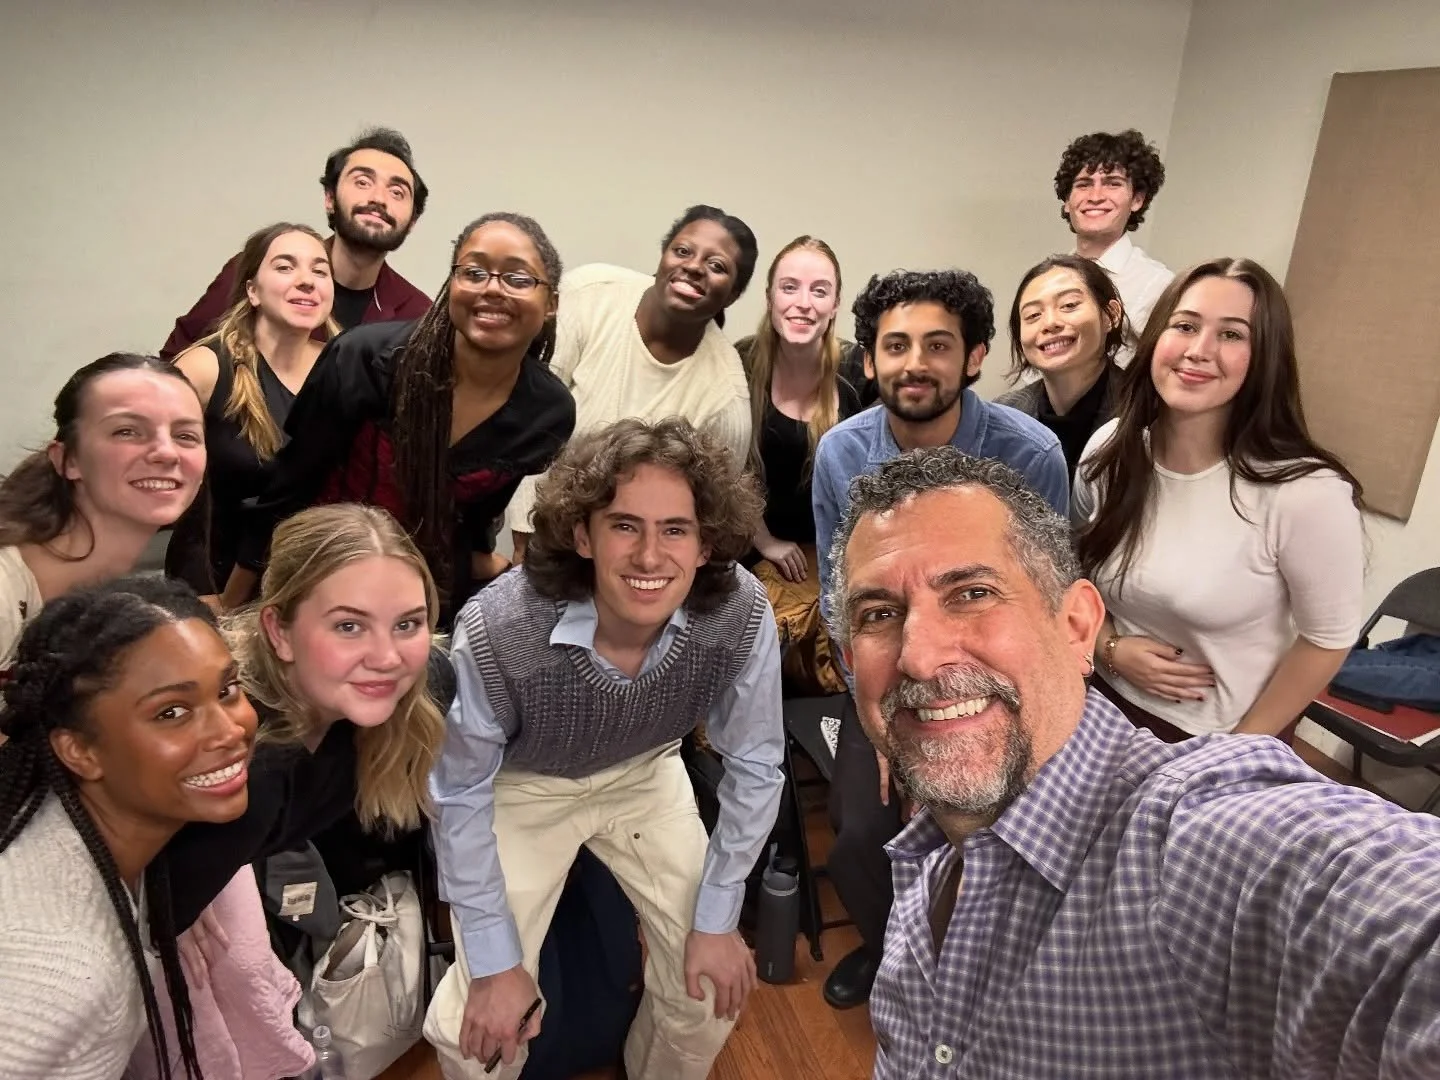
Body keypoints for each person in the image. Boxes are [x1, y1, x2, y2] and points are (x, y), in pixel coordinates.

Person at [823, 446, 1440, 1077]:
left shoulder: (1199, 845)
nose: (918, 656)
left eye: (973, 593)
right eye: (879, 614)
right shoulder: (923, 855)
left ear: (1078, 625)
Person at [424, 418, 785, 1080]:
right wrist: (497, 964)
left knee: (708, 991)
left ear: (707, 543)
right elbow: (459, 791)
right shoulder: (501, 627)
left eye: (676, 529)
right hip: (520, 784)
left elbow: (756, 764)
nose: (650, 557)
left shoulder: (741, 613)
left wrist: (718, 916)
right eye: (625, 525)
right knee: (475, 1032)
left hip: (646, 769)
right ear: (583, 535)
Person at [810, 268, 1068, 1010]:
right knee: (859, 832)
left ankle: (989, 963)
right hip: (893, 674)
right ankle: (895, 951)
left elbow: (1042, 599)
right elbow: (841, 602)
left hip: (999, 672)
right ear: (869, 362)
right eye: (895, 345)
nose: (914, 362)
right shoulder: (841, 454)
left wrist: (970, 721)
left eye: (937, 345)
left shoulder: (1031, 453)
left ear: (975, 356)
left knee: (1002, 820)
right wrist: (898, 732)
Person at [226, 212, 576, 623]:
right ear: (451, 285)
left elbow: (479, 517)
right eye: (474, 272)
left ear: (550, 303)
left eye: (517, 279)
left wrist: (489, 567)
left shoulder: (548, 413)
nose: (492, 290)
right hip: (318, 577)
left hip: (431, 600)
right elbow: (288, 488)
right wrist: (233, 607)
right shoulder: (365, 359)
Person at [1073, 257, 1365, 741]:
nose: (1198, 351)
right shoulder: (1111, 449)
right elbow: (1076, 571)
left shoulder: (1306, 494)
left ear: (1264, 357)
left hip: (1219, 735)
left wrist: (1238, 749)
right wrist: (1109, 647)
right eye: (1185, 326)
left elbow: (1326, 640)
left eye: (1232, 335)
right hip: (1100, 701)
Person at [0, 575, 258, 1080]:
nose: (231, 731)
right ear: (78, 750)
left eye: (227, 690)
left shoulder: (92, 831)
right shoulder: (59, 965)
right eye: (172, 712)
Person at [163, 502, 444, 931]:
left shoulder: (414, 693)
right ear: (279, 631)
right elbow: (143, 916)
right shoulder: (242, 760)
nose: (388, 658)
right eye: (349, 626)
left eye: (407, 624)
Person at [503, 204, 759, 559]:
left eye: (717, 266)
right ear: (662, 256)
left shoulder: (725, 399)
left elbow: (713, 520)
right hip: (545, 537)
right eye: (682, 251)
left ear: (732, 294)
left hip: (641, 559)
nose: (694, 267)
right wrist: (525, 543)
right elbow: (529, 420)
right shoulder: (589, 294)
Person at [0, 354, 207, 670]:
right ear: (68, 460)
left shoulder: (118, 599)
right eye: (127, 431)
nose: (167, 452)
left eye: (185, 436)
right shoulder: (5, 592)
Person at [165, 222, 339, 595]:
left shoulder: (344, 368)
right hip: (212, 587)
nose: (306, 280)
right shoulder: (205, 368)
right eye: (285, 266)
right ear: (253, 291)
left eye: (319, 270)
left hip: (309, 587)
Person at [161, 127, 430, 358]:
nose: (379, 198)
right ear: (329, 199)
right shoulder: (261, 268)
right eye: (362, 182)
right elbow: (177, 363)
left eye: (397, 192)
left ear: (412, 221)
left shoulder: (418, 314)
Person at [734, 236, 863, 695]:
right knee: (744, 652)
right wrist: (764, 539)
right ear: (769, 297)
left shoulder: (856, 373)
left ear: (835, 304)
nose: (803, 304)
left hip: (829, 550)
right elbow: (720, 469)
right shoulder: (739, 363)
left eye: (819, 290)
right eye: (789, 288)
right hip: (751, 545)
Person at [997, 254, 1128, 479]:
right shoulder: (1004, 416)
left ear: (1110, 315)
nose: (1049, 323)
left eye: (1069, 305)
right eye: (1033, 315)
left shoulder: (1146, 411)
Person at [1054, 128, 1173, 349]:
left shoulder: (1158, 286)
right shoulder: (1051, 277)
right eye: (1084, 184)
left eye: (1113, 183)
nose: (1096, 197)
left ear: (1137, 199)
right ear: (1067, 202)